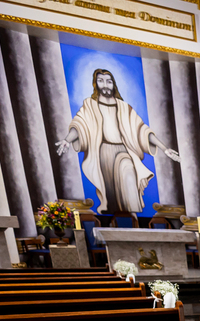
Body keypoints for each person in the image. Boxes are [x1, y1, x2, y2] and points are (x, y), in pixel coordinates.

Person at [56, 69, 180, 214]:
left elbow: (142, 131)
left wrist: (165, 149)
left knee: (128, 174)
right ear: (95, 84)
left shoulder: (123, 107)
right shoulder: (90, 105)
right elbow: (79, 126)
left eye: (109, 81)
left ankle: (133, 218)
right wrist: (67, 140)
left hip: (123, 151)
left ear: (114, 84)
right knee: (111, 193)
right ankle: (118, 221)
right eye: (101, 81)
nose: (105, 85)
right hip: (103, 154)